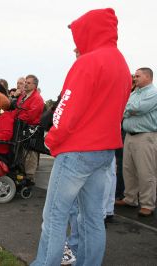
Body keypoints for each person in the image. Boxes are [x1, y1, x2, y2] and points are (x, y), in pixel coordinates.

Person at [31, 8, 131, 265]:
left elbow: (66, 108)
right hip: (104, 151)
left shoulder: (87, 61)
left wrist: (51, 140)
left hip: (76, 151)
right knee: (92, 218)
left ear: (89, 31)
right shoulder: (120, 62)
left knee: (54, 216)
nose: (76, 41)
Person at [116, 67, 157, 217]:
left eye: (138, 76)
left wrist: (127, 109)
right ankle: (130, 198)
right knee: (128, 169)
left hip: (145, 136)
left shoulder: (153, 93)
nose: (135, 78)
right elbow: (125, 108)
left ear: (148, 77)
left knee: (146, 171)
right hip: (129, 136)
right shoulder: (134, 93)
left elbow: (138, 108)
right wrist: (128, 109)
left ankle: (147, 204)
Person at [12, 75, 44, 184]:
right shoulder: (23, 96)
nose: (25, 84)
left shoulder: (37, 98)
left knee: (30, 154)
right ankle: (21, 174)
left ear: (35, 86)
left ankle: (29, 179)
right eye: (25, 82)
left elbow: (30, 115)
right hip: (20, 128)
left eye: (29, 82)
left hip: (31, 130)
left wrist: (16, 117)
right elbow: (17, 109)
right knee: (21, 153)